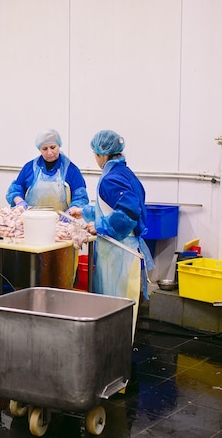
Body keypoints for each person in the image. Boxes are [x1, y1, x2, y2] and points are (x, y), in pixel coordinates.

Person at [69, 130, 154, 340]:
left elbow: (128, 213)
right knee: (119, 310)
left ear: (101, 154)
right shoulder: (125, 173)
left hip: (119, 256)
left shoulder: (111, 178)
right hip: (123, 251)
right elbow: (112, 206)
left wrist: (99, 225)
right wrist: (86, 212)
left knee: (115, 309)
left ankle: (113, 358)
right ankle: (116, 353)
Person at [5, 129, 89, 214]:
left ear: (59, 145)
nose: (49, 152)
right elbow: (15, 190)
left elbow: (80, 198)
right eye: (44, 149)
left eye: (53, 147)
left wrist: (72, 211)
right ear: (39, 149)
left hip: (61, 222)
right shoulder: (30, 168)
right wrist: (19, 202)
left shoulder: (71, 170)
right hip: (32, 220)